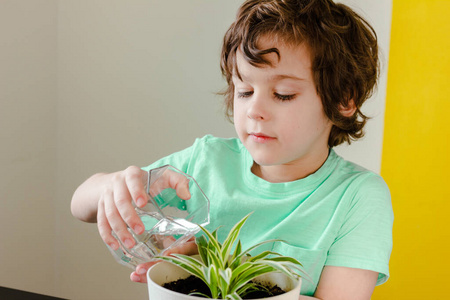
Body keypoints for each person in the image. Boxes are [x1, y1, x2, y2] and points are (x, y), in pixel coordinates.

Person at [71, 0, 393, 298]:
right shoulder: (208, 160)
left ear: (343, 99)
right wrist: (114, 187)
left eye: (282, 94)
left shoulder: (358, 197)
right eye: (245, 90)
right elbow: (79, 204)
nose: (255, 110)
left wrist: (212, 263)